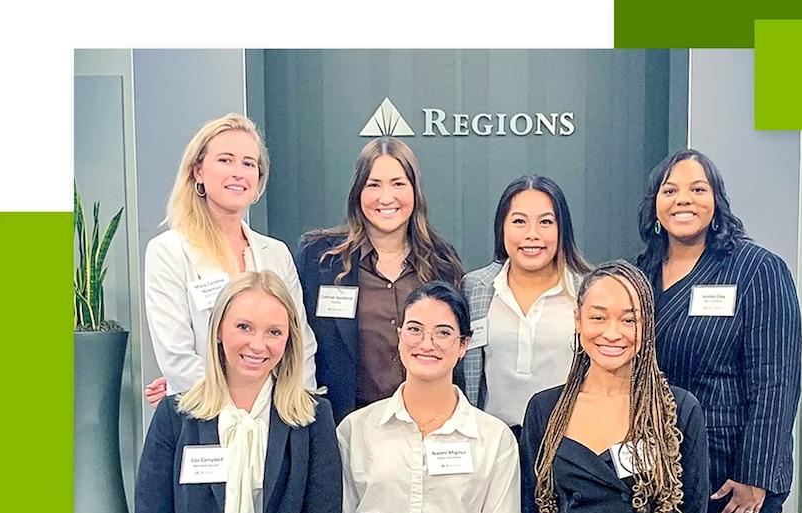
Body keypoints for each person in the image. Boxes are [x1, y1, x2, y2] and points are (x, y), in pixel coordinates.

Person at [636, 149, 802, 513]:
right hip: (660, 469)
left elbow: (776, 381)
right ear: (655, 205)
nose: (683, 200)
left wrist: (754, 477)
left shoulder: (756, 268)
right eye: (670, 190)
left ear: (717, 201)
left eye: (698, 189)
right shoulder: (640, 274)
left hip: (731, 475)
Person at [132, 271, 341, 513]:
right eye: (244, 327)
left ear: (289, 340)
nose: (258, 345)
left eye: (274, 332)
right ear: (218, 330)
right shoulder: (175, 417)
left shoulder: (314, 419)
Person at [518, 261, 707, 513]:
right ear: (578, 320)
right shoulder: (545, 410)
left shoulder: (679, 410)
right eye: (598, 317)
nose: (612, 333)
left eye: (629, 320)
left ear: (647, 325)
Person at [335, 281, 520, 513]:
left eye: (443, 333)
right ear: (399, 336)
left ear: (463, 346)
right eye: (415, 329)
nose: (426, 343)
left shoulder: (495, 440)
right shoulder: (356, 430)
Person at [143, 113, 317, 405]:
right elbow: (177, 358)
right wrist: (244, 407)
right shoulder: (168, 251)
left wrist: (295, 408)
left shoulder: (276, 253)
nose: (238, 172)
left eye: (249, 164)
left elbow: (302, 346)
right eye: (225, 160)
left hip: (277, 419)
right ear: (198, 170)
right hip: (205, 414)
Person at [296, 137, 464, 423]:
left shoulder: (442, 262)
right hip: (342, 427)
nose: (386, 197)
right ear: (358, 192)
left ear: (415, 191)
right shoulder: (320, 260)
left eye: (398, 184)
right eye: (374, 184)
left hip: (426, 426)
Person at [461, 175, 592, 438]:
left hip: (568, 442)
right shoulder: (476, 287)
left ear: (562, 228)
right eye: (519, 221)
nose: (532, 235)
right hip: (493, 443)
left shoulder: (588, 290)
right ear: (502, 227)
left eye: (545, 222)